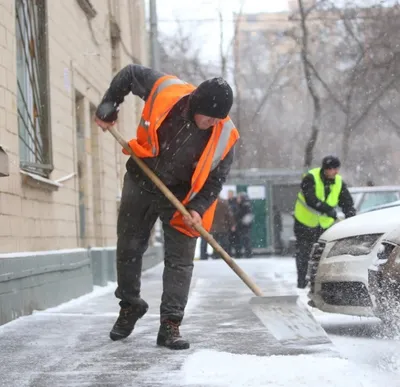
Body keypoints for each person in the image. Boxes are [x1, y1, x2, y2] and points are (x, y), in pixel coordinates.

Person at [94, 64, 239, 350]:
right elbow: (129, 74)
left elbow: (216, 179)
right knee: (129, 247)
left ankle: (170, 325)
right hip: (142, 176)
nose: (213, 123)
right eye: (209, 117)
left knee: (181, 261)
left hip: (183, 198)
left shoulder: (225, 136)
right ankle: (130, 305)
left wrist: (198, 207)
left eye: (218, 118)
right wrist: (109, 105)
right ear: (196, 103)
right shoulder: (166, 90)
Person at [293, 156, 356, 289]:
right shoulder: (310, 178)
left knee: (322, 254)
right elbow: (311, 199)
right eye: (333, 169)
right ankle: (301, 282)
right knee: (304, 252)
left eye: (337, 169)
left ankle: (317, 283)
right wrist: (328, 210)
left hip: (324, 225)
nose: (336, 172)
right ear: (326, 169)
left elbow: (346, 202)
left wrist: (351, 218)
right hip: (304, 222)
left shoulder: (338, 182)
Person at [234, 192, 254, 258]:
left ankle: (248, 254)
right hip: (241, 227)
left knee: (245, 241)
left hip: (244, 227)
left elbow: (248, 217)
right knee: (240, 241)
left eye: (239, 198)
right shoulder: (240, 205)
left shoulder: (245, 206)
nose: (237, 199)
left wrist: (240, 223)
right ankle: (241, 254)